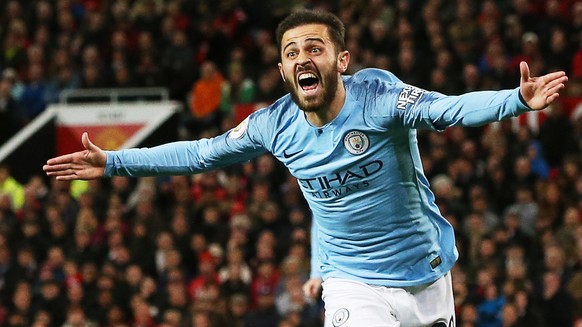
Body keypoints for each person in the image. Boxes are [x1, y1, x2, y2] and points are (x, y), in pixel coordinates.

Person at [43, 10, 568, 327]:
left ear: (341, 60)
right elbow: (200, 153)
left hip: (428, 273)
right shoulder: (272, 125)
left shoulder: (380, 96)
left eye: (314, 48)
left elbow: (446, 109)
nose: (301, 57)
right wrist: (113, 161)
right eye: (291, 51)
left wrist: (514, 101)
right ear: (281, 69)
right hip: (352, 284)